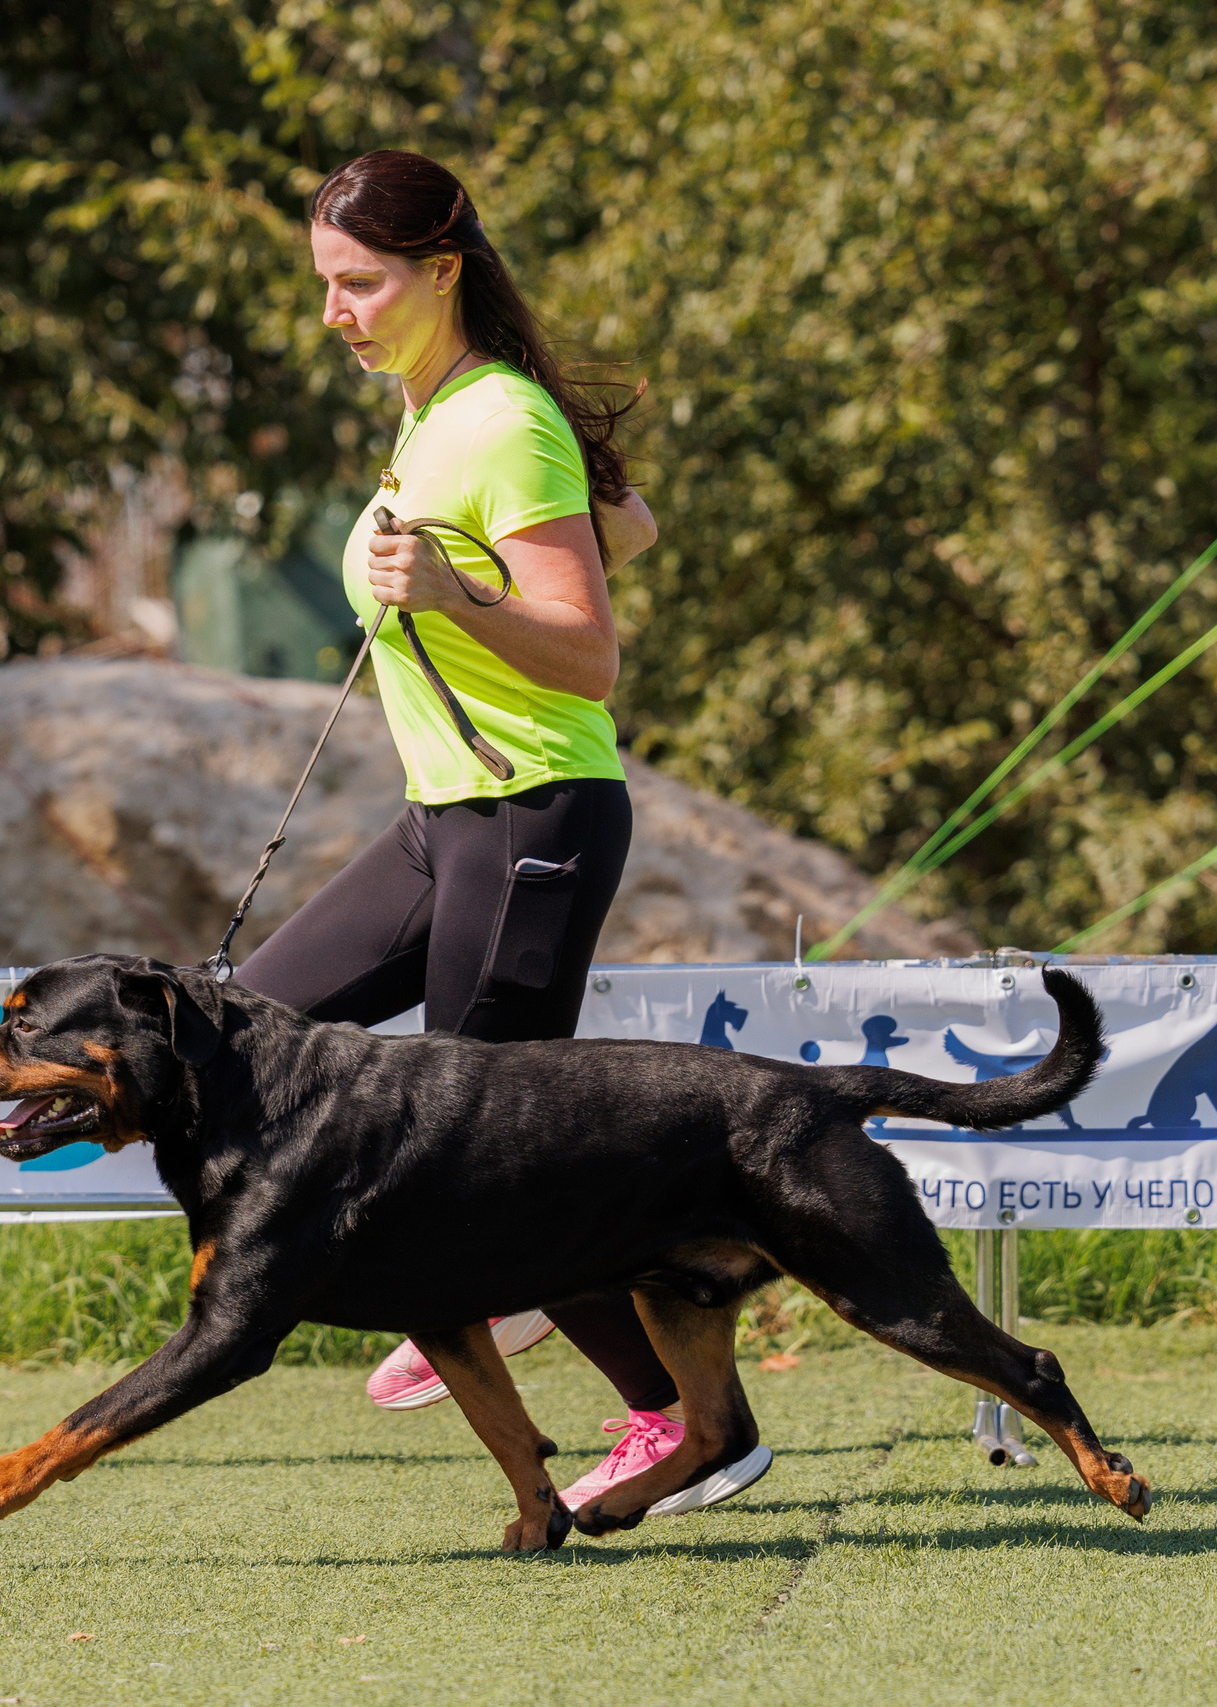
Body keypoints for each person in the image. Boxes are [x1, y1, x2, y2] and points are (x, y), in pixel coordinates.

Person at [234, 149, 769, 1518]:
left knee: (494, 1154)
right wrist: (530, 551)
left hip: (533, 818)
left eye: (359, 285)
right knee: (241, 1029)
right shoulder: (447, 414)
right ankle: (480, 1289)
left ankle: (677, 1417)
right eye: (326, 288)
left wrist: (466, 596)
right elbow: (622, 527)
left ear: (441, 272)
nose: (334, 312)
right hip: (441, 825)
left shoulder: (500, 419)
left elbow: (587, 655)